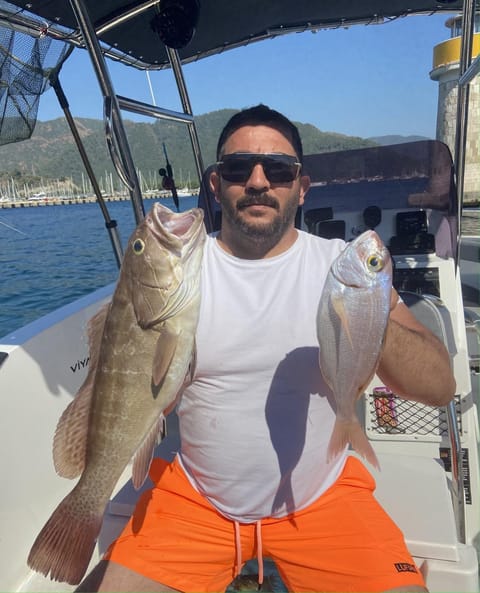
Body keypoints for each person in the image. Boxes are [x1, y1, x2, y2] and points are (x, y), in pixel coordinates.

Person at [77, 105, 456, 593]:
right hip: (195, 499)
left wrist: (370, 318)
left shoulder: (345, 268)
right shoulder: (174, 272)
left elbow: (439, 387)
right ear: (216, 185)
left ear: (301, 186)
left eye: (278, 169)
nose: (258, 181)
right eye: (238, 168)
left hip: (322, 497)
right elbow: (136, 377)